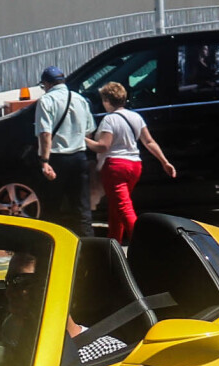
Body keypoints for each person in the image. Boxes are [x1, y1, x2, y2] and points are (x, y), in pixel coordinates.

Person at [89, 82, 175, 242]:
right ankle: (113, 242)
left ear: (107, 100)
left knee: (123, 208)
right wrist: (164, 161)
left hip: (115, 167)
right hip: (134, 166)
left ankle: (142, 243)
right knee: (117, 207)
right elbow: (149, 142)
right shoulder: (136, 117)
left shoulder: (110, 120)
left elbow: (103, 146)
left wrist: (83, 139)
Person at [31, 64, 94, 229]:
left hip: (57, 159)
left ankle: (51, 248)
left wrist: (44, 161)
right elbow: (89, 131)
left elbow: (45, 134)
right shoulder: (80, 99)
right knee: (82, 209)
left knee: (52, 208)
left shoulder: (46, 100)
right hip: (79, 157)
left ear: (47, 84)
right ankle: (87, 249)